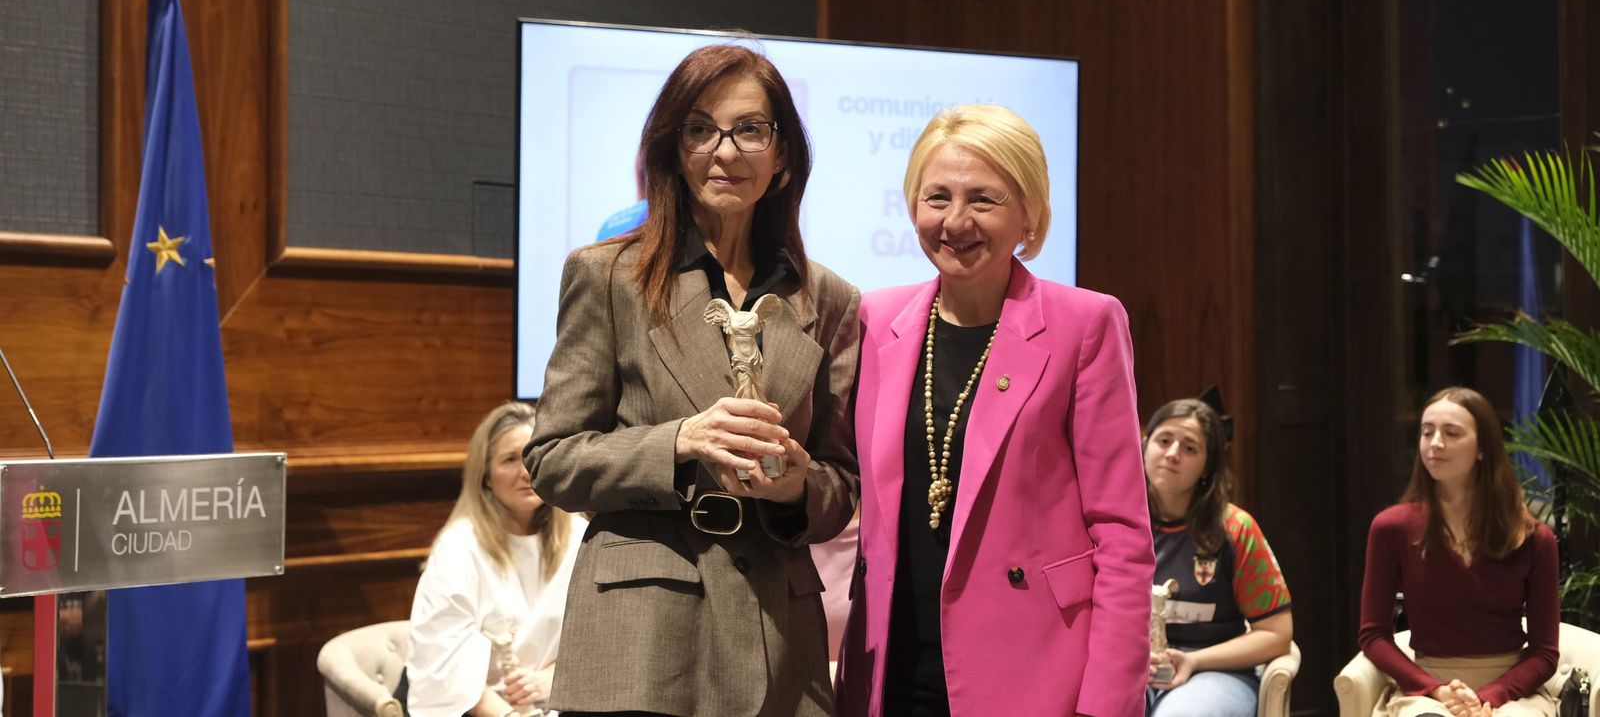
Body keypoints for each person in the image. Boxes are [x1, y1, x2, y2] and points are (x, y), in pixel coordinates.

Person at [523, 43, 861, 717]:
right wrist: (680, 440)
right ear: (674, 148)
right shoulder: (608, 276)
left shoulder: (829, 300)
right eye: (699, 129)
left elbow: (842, 486)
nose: (724, 151)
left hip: (780, 638)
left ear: (784, 153)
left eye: (750, 129)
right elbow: (552, 458)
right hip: (641, 639)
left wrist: (798, 485)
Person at [835, 104, 1154, 717]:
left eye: (983, 199)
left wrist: (1107, 705)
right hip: (890, 674)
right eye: (937, 197)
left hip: (1034, 674)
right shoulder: (875, 320)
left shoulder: (1086, 324)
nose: (956, 221)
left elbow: (1121, 536)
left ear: (1028, 215)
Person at [1358, 387, 1559, 717]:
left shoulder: (1536, 540)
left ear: (1483, 448)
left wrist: (1491, 696)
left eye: (1451, 433)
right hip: (1428, 689)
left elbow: (1544, 652)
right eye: (1427, 432)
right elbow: (1373, 636)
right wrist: (1433, 690)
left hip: (1509, 692)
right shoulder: (1390, 528)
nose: (1435, 443)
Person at [403, 401, 585, 717]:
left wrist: (552, 678)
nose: (526, 471)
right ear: (485, 475)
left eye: (533, 456)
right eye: (510, 460)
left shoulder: (579, 533)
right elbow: (444, 669)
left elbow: (596, 638)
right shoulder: (459, 547)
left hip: (556, 699)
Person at [1141, 398, 1293, 716]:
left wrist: (1194, 661)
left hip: (1212, 671)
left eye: (1190, 448)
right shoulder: (1115, 524)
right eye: (1164, 440)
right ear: (1144, 444)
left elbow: (1276, 635)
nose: (1172, 454)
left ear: (1208, 466)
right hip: (1131, 667)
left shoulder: (1236, 528)